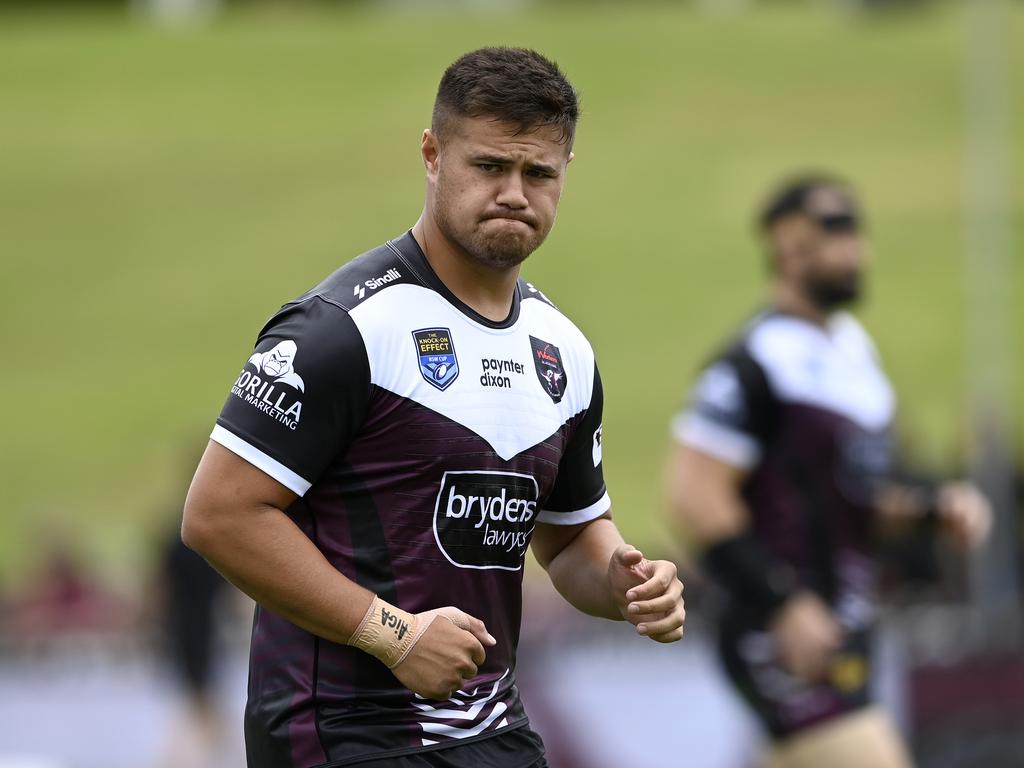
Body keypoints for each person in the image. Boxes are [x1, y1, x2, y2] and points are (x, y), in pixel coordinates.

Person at [183, 47, 685, 768]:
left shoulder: (565, 353)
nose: (515, 191)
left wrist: (625, 585)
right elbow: (219, 516)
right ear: (432, 155)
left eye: (538, 172)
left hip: (493, 730)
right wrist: (393, 635)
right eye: (489, 166)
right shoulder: (343, 329)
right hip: (341, 736)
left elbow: (572, 541)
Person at [665, 174, 990, 768]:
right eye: (834, 233)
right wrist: (782, 603)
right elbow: (693, 495)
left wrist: (934, 512)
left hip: (847, 628)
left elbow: (862, 498)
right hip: (782, 634)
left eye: (855, 231)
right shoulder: (755, 362)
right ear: (787, 245)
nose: (854, 250)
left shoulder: (855, 354)